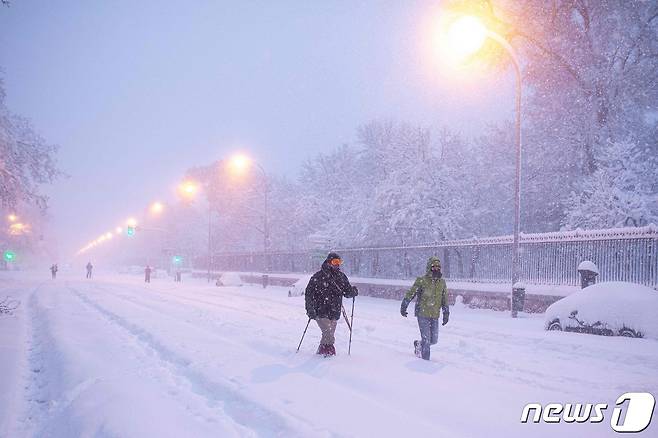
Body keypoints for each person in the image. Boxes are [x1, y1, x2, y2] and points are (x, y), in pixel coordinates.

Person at [305, 252, 358, 357]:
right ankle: (329, 355)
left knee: (328, 335)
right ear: (329, 262)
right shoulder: (318, 276)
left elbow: (347, 292)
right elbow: (309, 294)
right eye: (335, 262)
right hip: (320, 310)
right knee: (328, 334)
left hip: (334, 311)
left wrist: (353, 292)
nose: (337, 264)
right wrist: (310, 309)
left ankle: (320, 353)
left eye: (339, 262)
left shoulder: (341, 277)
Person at [400, 256, 449, 360]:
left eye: (438, 267)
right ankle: (425, 362)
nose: (436, 269)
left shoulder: (442, 283)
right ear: (429, 267)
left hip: (435, 314)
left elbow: (444, 299)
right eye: (434, 266)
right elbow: (411, 293)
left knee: (434, 340)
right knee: (426, 340)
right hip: (422, 313)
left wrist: (446, 313)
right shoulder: (421, 280)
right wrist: (404, 305)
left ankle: (418, 344)